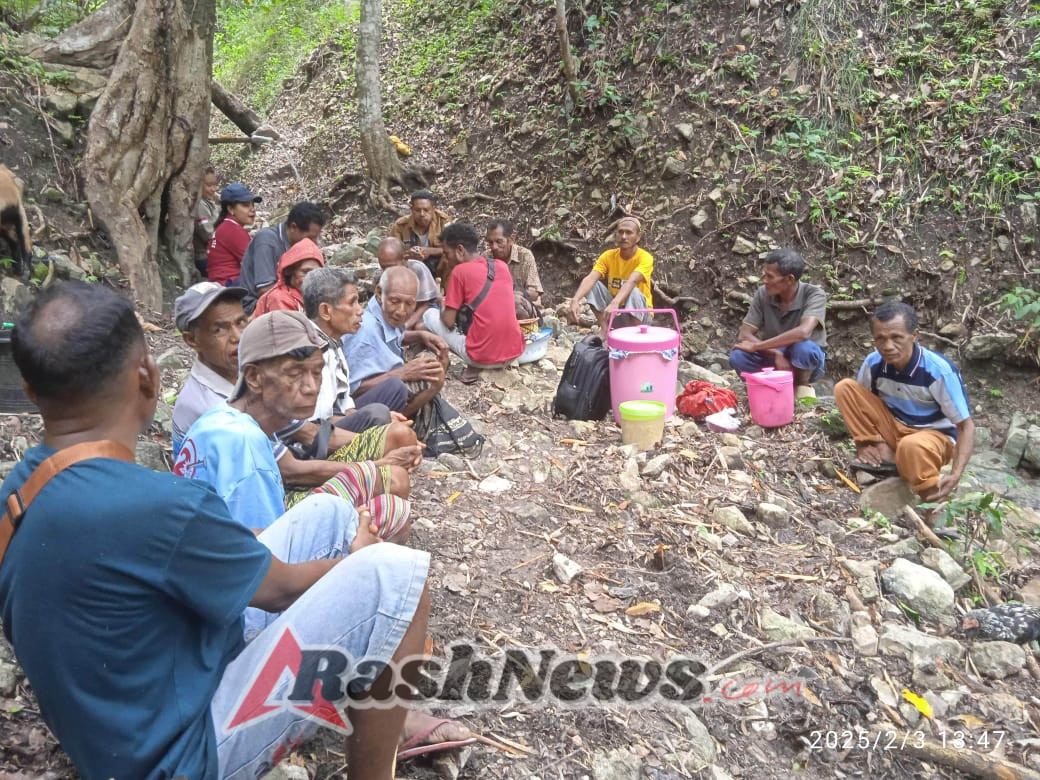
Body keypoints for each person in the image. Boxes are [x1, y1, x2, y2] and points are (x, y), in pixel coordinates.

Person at [0, 280, 453, 779]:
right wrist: (356, 560)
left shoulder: (20, 490)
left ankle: (366, 694)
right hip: (181, 756)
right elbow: (279, 591)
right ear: (148, 378)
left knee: (329, 516)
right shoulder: (153, 506)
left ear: (30, 392)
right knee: (395, 573)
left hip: (113, 731)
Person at [175, 310, 416, 543]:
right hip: (234, 569)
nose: (311, 387)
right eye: (294, 373)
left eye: (317, 372)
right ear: (254, 377)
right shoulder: (244, 448)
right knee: (388, 512)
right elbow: (259, 559)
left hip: (232, 548)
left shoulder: (224, 416)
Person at [171, 283, 416, 488]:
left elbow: (306, 431)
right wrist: (373, 467)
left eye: (240, 323)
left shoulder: (249, 373)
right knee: (391, 480)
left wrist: (383, 448)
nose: (236, 337)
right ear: (192, 340)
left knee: (398, 437)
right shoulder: (206, 407)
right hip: (270, 488)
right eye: (219, 329)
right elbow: (288, 470)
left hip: (290, 462)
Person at [835, 301, 975, 506]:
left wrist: (955, 474)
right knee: (845, 388)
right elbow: (863, 402)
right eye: (880, 339)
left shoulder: (938, 371)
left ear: (914, 335)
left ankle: (933, 504)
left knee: (912, 446)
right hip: (894, 427)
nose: (888, 346)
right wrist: (862, 442)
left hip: (933, 438)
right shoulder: (874, 363)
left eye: (896, 338)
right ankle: (885, 454)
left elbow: (966, 425)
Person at [343, 266, 449, 429]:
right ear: (379, 293)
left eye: (409, 304)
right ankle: (394, 427)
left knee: (429, 370)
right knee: (411, 383)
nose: (401, 311)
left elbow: (390, 337)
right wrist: (401, 373)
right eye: (395, 301)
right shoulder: (364, 332)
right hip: (349, 411)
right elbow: (350, 390)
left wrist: (420, 335)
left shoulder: (383, 315)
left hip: (379, 388)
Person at [303, 267, 410, 427]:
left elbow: (346, 407)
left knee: (392, 394)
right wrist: (377, 424)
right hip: (316, 436)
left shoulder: (334, 343)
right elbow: (318, 425)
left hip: (334, 421)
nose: (360, 311)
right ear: (326, 311)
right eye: (352, 302)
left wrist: (382, 418)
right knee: (379, 416)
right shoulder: (315, 354)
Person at [422, 222, 526, 384]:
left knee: (429, 315)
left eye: (446, 253)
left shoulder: (459, 271)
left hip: (481, 357)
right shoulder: (501, 265)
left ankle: (474, 364)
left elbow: (448, 321)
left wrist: (442, 303)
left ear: (460, 250)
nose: (446, 259)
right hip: (515, 352)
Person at [729, 248, 827, 399]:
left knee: (804, 348)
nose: (764, 280)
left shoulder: (814, 294)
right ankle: (766, 387)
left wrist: (757, 346)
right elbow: (745, 334)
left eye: (770, 276)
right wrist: (776, 353)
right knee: (738, 356)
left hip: (804, 361)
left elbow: (803, 333)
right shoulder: (763, 293)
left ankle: (801, 389)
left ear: (789, 279)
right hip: (774, 357)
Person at [239, 202, 326, 314]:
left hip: (289, 297)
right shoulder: (267, 241)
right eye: (310, 237)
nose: (314, 243)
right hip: (255, 305)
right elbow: (265, 290)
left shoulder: (297, 245)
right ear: (293, 227)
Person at [568, 216, 653, 330]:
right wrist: (575, 300)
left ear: (638, 237)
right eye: (620, 232)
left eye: (629, 233)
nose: (623, 236)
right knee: (592, 285)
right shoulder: (608, 256)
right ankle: (606, 331)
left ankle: (637, 337)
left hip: (641, 316)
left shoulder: (645, 258)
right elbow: (591, 278)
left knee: (634, 291)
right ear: (616, 235)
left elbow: (632, 281)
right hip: (615, 312)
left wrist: (615, 302)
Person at [376, 236, 440, 329]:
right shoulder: (382, 276)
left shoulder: (417, 269)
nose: (387, 271)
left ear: (404, 259)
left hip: (423, 310)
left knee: (419, 327)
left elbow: (426, 304)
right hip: (400, 312)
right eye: (383, 267)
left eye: (391, 266)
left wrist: (406, 325)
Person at [252, 238, 325, 317]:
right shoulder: (279, 298)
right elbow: (288, 328)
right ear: (289, 271)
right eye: (305, 272)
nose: (312, 278)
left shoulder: (311, 296)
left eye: (317, 273)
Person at [207, 182, 262, 286]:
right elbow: (257, 262)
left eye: (253, 205)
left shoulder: (226, 226)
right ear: (231, 209)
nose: (252, 210)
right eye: (246, 205)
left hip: (222, 282)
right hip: (229, 284)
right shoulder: (232, 230)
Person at [486, 219, 543, 319]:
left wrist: (508, 293)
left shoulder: (525, 255)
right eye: (490, 242)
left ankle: (521, 333)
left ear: (511, 239)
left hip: (522, 308)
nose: (494, 247)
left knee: (514, 301)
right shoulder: (486, 258)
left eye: (499, 241)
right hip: (495, 307)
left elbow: (534, 293)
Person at [388, 189, 450, 279]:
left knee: (449, 260)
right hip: (411, 268)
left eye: (426, 210)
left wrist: (429, 251)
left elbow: (453, 249)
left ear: (433, 209)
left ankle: (444, 290)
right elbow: (392, 253)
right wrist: (408, 254)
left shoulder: (443, 221)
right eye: (417, 210)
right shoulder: (400, 226)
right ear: (412, 210)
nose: (422, 214)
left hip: (438, 267)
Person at [193, 166, 219, 278]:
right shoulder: (199, 206)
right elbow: (208, 235)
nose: (213, 189)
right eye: (209, 185)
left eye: (215, 185)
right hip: (204, 258)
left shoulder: (211, 201)